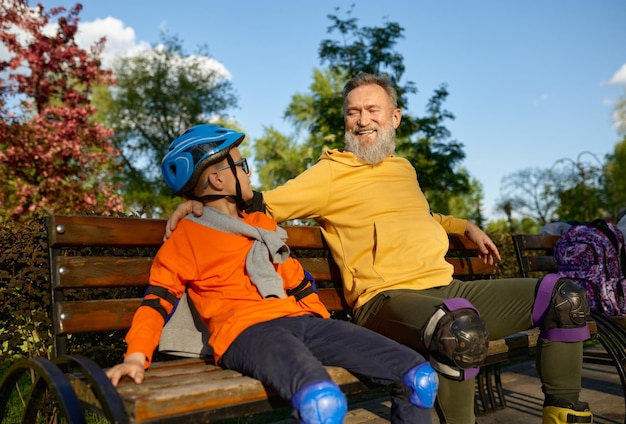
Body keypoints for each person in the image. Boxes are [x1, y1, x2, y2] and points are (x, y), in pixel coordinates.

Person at [166, 74, 593, 424]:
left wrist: (464, 226)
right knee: (459, 329)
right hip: (385, 303)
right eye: (353, 112)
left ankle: (566, 411)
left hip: (445, 288)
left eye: (372, 110)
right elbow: (261, 203)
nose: (362, 120)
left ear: (395, 117)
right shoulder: (331, 172)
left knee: (565, 296)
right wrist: (200, 203)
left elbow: (421, 216)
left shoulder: (403, 169)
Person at [105, 124, 438, 424]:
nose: (249, 172)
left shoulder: (261, 227)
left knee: (419, 378)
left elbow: (297, 280)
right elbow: (157, 302)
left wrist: (324, 326)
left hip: (301, 322)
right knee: (321, 406)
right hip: (246, 334)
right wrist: (135, 358)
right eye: (241, 165)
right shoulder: (187, 237)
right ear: (219, 179)